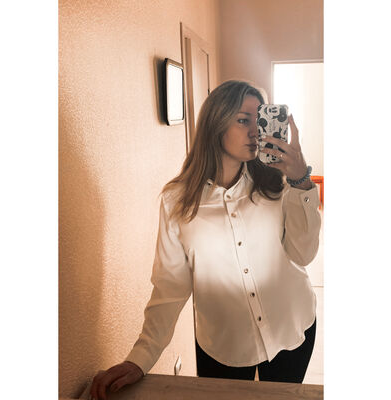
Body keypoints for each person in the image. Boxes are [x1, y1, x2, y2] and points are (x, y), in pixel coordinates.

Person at [89, 80, 321, 400]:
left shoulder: (277, 184)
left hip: (292, 327)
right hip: (223, 345)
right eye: (243, 120)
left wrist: (301, 182)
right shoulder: (177, 201)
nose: (254, 131)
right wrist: (139, 359)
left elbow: (304, 254)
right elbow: (170, 288)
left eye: (258, 120)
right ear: (216, 123)